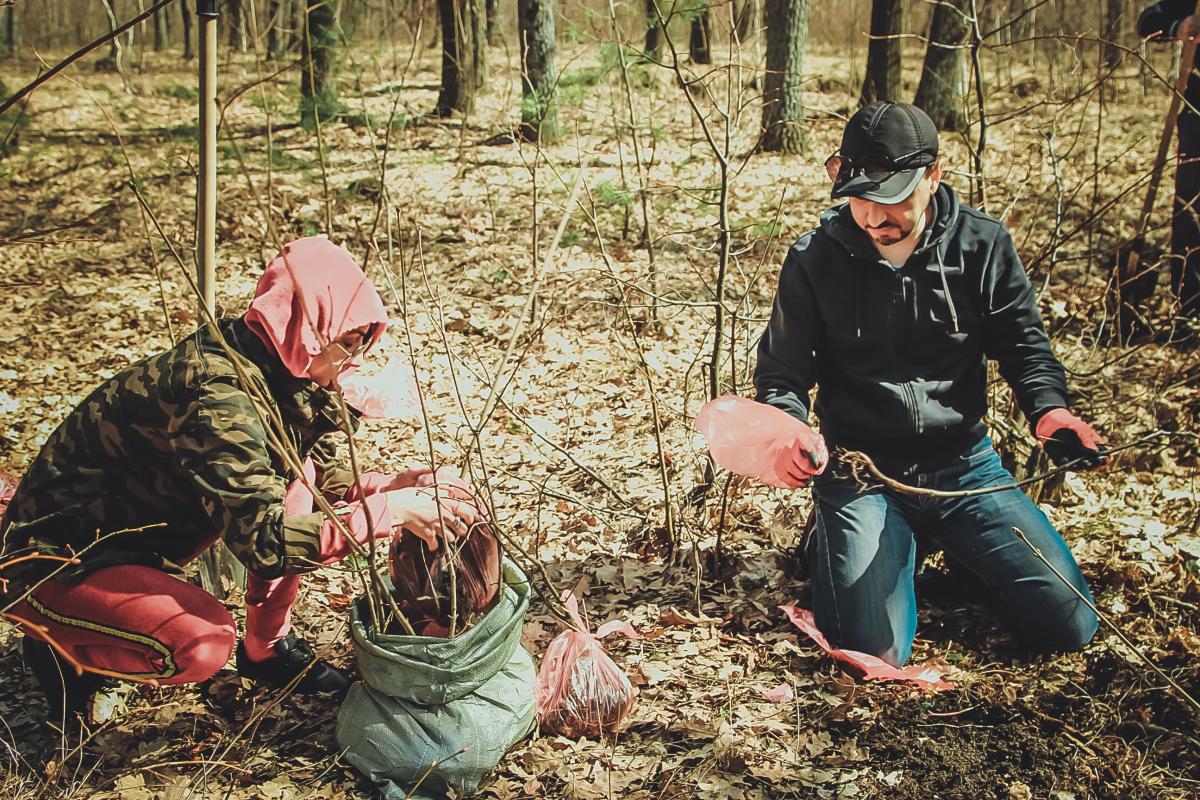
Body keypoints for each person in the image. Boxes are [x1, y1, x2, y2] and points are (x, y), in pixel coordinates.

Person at [0, 237, 478, 725]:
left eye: (362, 344)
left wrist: (394, 484)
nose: (354, 360)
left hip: (128, 544)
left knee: (297, 485)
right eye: (347, 343)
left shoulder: (273, 365)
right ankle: (58, 648)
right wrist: (388, 513)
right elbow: (265, 545)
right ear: (302, 328)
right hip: (53, 561)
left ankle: (265, 651)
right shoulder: (216, 394)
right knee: (202, 644)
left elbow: (307, 470)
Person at [754, 102, 1107, 667]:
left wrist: (1049, 411)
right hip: (861, 471)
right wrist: (786, 430)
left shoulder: (982, 245)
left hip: (964, 465)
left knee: (1069, 622)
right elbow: (781, 372)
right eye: (859, 196)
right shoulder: (814, 260)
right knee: (873, 652)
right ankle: (843, 539)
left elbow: (1023, 345)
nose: (872, 216)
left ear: (934, 175)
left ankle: (956, 545)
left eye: (891, 195)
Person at [1138, 2, 1200, 331]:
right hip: (1197, 119)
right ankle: (1190, 312)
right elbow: (1148, 21)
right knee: (1191, 213)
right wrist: (1180, 25)